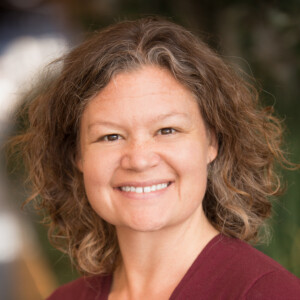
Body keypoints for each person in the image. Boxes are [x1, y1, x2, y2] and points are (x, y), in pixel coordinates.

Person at [9, 17, 300, 299]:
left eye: (166, 130)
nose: (138, 159)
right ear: (78, 155)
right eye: (110, 136)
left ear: (212, 141)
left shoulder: (270, 294)